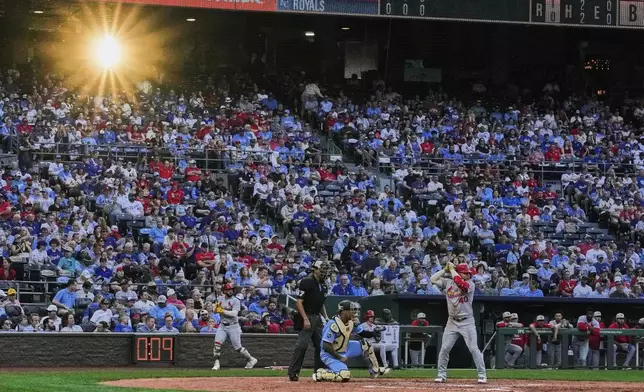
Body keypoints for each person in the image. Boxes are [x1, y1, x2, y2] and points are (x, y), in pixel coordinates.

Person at [431, 262, 486, 384]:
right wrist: (445, 270)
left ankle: (482, 374)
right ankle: (441, 374)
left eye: (467, 273)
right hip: (452, 321)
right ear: (459, 273)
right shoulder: (448, 282)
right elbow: (433, 279)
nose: (468, 275)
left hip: (467, 321)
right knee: (445, 348)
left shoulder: (470, 284)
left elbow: (462, 284)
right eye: (465, 273)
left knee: (473, 348)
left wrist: (453, 271)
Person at [313, 300, 389, 382]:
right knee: (344, 375)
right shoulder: (333, 324)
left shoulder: (351, 322)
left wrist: (373, 333)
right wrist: (340, 357)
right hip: (330, 355)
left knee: (365, 345)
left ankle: (374, 370)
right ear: (344, 311)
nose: (355, 312)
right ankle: (321, 374)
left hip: (345, 348)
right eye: (352, 310)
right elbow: (326, 345)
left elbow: (362, 333)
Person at [288, 260, 331, 381]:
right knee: (302, 345)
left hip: (317, 317)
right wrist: (305, 319)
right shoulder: (307, 282)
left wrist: (326, 317)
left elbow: (320, 304)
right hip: (306, 314)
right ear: (315, 269)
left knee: (321, 345)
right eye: (322, 269)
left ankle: (319, 372)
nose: (325, 272)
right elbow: (299, 302)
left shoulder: (324, 284)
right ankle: (293, 372)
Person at [211, 283, 257, 370]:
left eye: (231, 289)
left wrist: (222, 311)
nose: (230, 291)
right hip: (222, 325)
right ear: (224, 291)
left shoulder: (235, 300)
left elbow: (234, 314)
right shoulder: (219, 298)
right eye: (228, 290)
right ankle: (216, 363)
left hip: (233, 326)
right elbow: (216, 311)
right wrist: (215, 309)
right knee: (217, 344)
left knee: (237, 347)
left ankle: (251, 359)